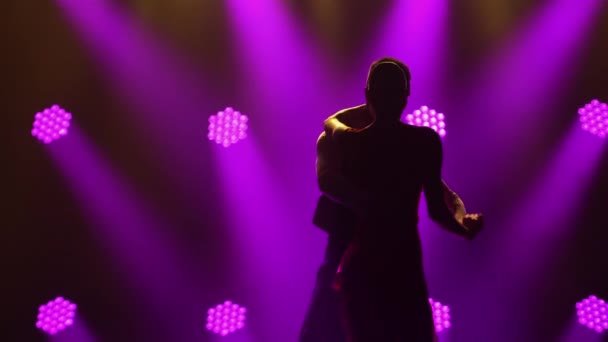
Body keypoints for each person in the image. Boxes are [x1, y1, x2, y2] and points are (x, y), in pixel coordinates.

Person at [299, 58, 482, 342]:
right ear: (406, 96)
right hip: (404, 266)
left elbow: (331, 126)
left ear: (368, 94)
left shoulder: (351, 142)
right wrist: (463, 226)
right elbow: (440, 206)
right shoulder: (423, 142)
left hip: (362, 265)